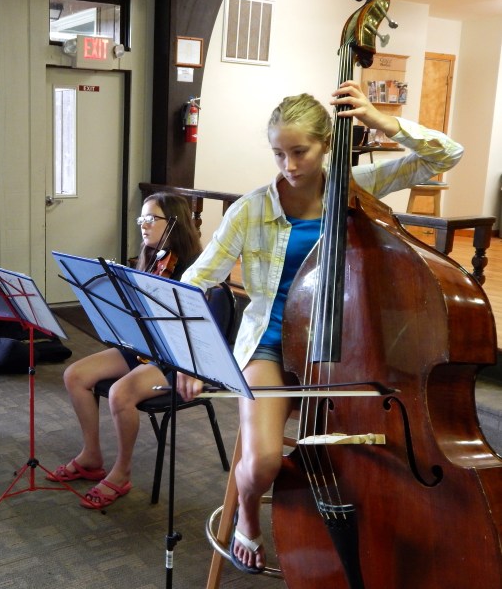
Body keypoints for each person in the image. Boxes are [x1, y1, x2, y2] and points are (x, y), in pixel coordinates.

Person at [176, 80, 463, 574]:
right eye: (278, 153)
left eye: (299, 152)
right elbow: (193, 283)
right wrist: (190, 357)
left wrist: (381, 121)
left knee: (376, 452)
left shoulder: (355, 187)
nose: (289, 165)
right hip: (269, 345)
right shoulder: (251, 209)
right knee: (263, 461)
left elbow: (446, 155)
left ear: (326, 145)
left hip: (345, 349)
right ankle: (248, 517)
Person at [47, 192, 203, 509]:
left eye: (151, 219)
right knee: (75, 375)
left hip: (178, 360)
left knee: (120, 393)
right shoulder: (152, 258)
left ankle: (122, 472)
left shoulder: (194, 270)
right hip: (145, 348)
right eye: (141, 218)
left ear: (174, 223)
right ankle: (91, 456)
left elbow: (192, 333)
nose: (143, 225)